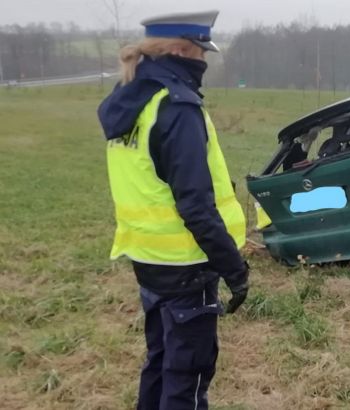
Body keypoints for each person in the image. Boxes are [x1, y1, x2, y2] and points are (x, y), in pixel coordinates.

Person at [97, 10, 249, 410]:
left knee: (161, 362)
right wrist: (234, 268)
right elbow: (196, 205)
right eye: (202, 53)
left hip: (148, 259)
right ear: (182, 50)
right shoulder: (177, 107)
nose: (203, 63)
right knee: (187, 378)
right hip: (187, 264)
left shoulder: (130, 99)